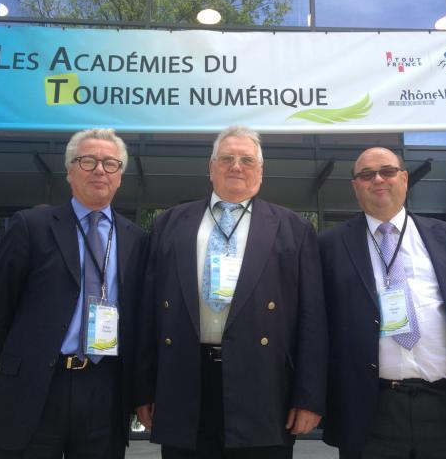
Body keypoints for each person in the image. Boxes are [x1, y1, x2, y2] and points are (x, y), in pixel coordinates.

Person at [135, 126, 327, 459]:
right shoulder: (170, 223)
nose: (236, 166)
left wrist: (308, 397)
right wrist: (143, 389)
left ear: (261, 172)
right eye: (226, 158)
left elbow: (312, 319)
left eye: (246, 160)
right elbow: (148, 311)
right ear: (211, 168)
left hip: (264, 386)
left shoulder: (293, 228)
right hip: (184, 380)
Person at [0, 129, 147, 459]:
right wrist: (27, 361)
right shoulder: (31, 226)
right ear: (69, 170)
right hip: (37, 386)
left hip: (105, 389)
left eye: (110, 163)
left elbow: (140, 316)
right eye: (88, 161)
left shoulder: (136, 239)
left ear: (120, 176)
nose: (100, 169)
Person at [318, 147, 446, 459]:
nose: (377, 180)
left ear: (404, 178)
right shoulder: (329, 245)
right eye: (366, 174)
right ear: (355, 185)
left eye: (386, 171)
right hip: (370, 410)